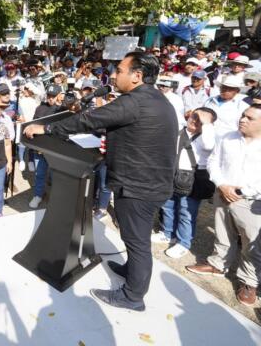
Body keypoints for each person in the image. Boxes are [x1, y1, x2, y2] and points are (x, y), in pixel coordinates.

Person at [25, 52, 177, 312]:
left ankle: (132, 296)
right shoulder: (154, 99)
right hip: (150, 182)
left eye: (119, 70)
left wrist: (48, 130)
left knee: (137, 241)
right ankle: (132, 272)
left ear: (137, 76)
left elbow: (89, 119)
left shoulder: (135, 101)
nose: (114, 75)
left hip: (139, 186)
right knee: (136, 239)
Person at [186, 104, 261, 306]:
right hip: (222, 193)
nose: (243, 120)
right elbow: (213, 162)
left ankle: (249, 281)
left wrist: (241, 191)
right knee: (223, 233)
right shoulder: (228, 137)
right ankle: (218, 264)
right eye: (243, 115)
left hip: (251, 201)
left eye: (250, 118)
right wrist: (222, 185)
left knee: (251, 243)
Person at [153, 108, 217, 258]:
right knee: (167, 206)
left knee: (186, 212)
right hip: (172, 174)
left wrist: (205, 122)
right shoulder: (180, 131)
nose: (195, 120)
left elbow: (208, 145)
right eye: (194, 116)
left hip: (193, 178)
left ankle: (183, 243)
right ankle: (168, 233)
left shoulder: (207, 136)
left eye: (200, 119)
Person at [28, 84, 67, 209]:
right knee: (40, 174)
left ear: (59, 96)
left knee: (56, 175)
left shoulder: (62, 110)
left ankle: (57, 198)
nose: (50, 99)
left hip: (55, 149)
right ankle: (38, 195)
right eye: (49, 96)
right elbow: (33, 126)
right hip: (40, 148)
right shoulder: (40, 108)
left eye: (53, 96)